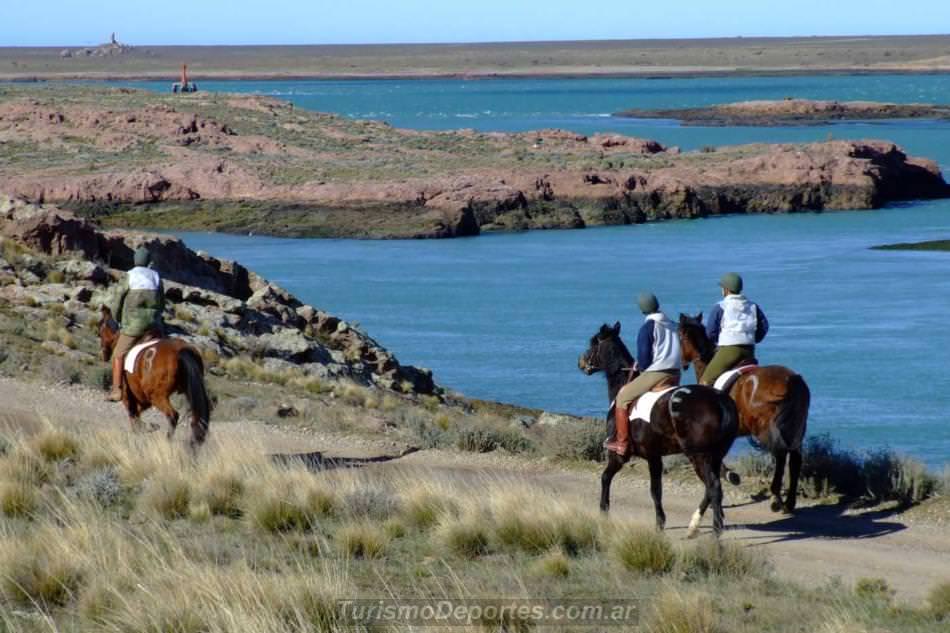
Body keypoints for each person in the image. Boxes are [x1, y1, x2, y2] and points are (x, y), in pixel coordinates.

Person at [605, 292, 682, 456]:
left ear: (642, 309)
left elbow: (645, 360)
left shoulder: (648, 327)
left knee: (623, 397)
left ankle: (622, 442)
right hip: (676, 373)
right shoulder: (672, 324)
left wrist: (639, 366)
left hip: (657, 373)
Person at [106, 247, 165, 402]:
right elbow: (162, 304)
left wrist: (117, 319)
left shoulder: (129, 275)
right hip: (153, 326)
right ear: (148, 261)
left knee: (118, 355)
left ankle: (117, 390)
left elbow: (118, 300)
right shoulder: (156, 276)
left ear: (135, 260)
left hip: (133, 326)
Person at [700, 272, 768, 386]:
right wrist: (753, 339)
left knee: (706, 381)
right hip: (749, 351)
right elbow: (764, 326)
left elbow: (710, 331)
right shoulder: (753, 306)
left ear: (726, 290)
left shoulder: (721, 306)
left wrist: (719, 341)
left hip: (729, 351)